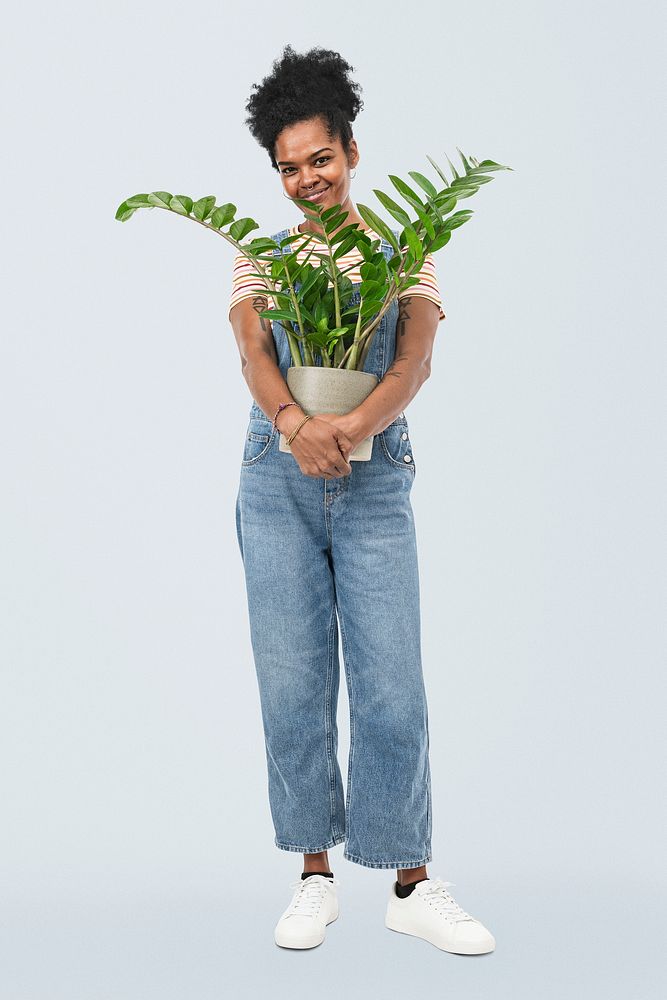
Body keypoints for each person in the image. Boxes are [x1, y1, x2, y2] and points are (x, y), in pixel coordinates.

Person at [229, 44, 495, 956]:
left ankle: (410, 880)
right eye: (288, 167)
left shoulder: (404, 254)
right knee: (293, 683)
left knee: (391, 687)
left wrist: (347, 429)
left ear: (350, 151)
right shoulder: (259, 256)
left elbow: (415, 358)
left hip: (372, 475)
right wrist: (295, 423)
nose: (305, 179)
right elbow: (253, 353)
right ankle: (313, 876)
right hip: (277, 480)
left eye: (320, 159)